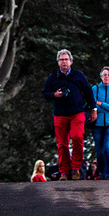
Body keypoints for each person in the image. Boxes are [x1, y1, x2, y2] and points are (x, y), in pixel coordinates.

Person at [40, 48, 95, 179]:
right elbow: (45, 93)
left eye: (66, 59)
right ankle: (64, 171)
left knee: (77, 137)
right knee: (62, 143)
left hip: (77, 112)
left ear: (71, 61)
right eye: (61, 60)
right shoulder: (53, 76)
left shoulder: (78, 75)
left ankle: (76, 168)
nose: (64, 62)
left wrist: (94, 109)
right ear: (58, 62)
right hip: (60, 114)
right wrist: (55, 94)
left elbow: (88, 92)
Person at [91, 66, 109, 180]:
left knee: (107, 147)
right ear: (101, 77)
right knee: (99, 151)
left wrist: (101, 104)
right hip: (97, 123)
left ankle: (108, 173)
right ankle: (102, 173)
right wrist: (98, 105)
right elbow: (92, 105)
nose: (106, 77)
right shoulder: (95, 89)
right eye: (104, 75)